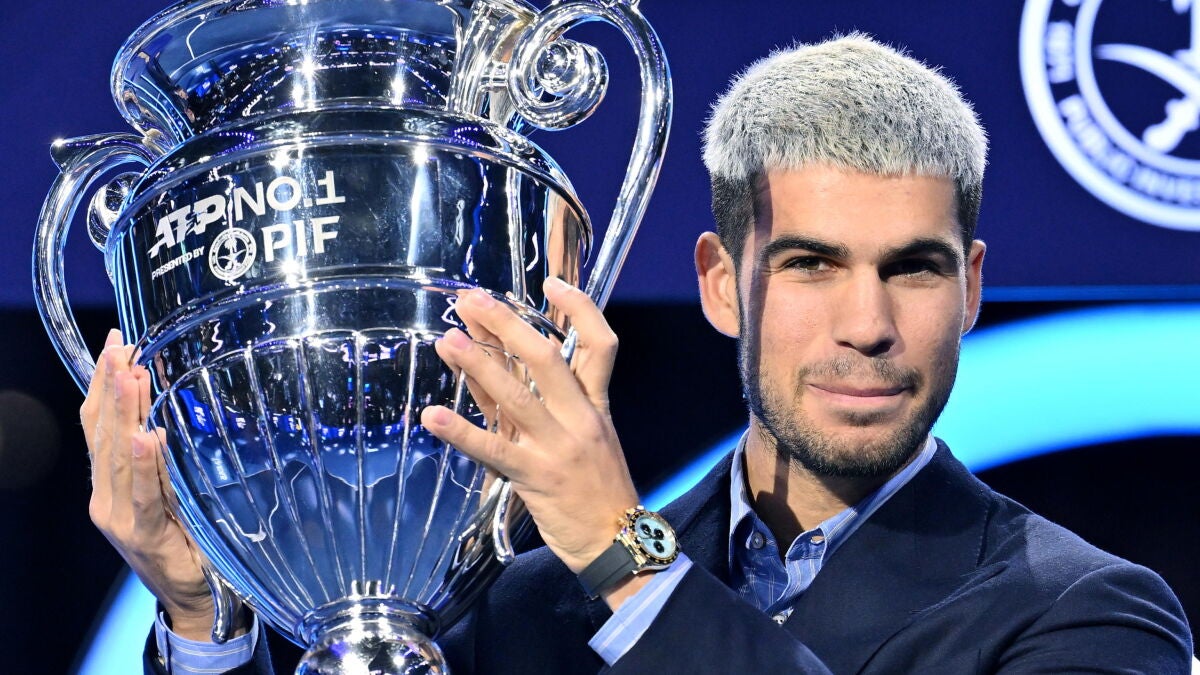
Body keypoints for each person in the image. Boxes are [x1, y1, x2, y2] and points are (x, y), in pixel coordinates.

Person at [83, 34, 1192, 673]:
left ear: (973, 289)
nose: (868, 324)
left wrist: (627, 554)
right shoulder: (522, 611)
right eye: (811, 265)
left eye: (914, 269)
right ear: (719, 282)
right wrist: (204, 618)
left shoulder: (1091, 615)